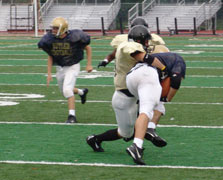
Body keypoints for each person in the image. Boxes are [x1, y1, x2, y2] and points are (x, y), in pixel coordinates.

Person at [86, 25, 168, 164]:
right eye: (146, 41)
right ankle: (95, 139)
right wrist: (164, 67)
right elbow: (145, 58)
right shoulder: (127, 46)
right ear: (138, 40)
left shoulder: (132, 46)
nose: (148, 44)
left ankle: (145, 135)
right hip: (124, 97)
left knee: (151, 109)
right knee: (125, 133)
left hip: (135, 94)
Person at [38, 17, 93, 123]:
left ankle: (72, 116)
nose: (53, 30)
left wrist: (89, 64)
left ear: (62, 28)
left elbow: (88, 48)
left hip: (73, 66)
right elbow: (50, 56)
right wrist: (49, 73)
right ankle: (82, 92)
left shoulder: (75, 37)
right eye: (53, 28)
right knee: (65, 92)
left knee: (67, 90)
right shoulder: (50, 39)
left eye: (55, 28)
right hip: (60, 68)